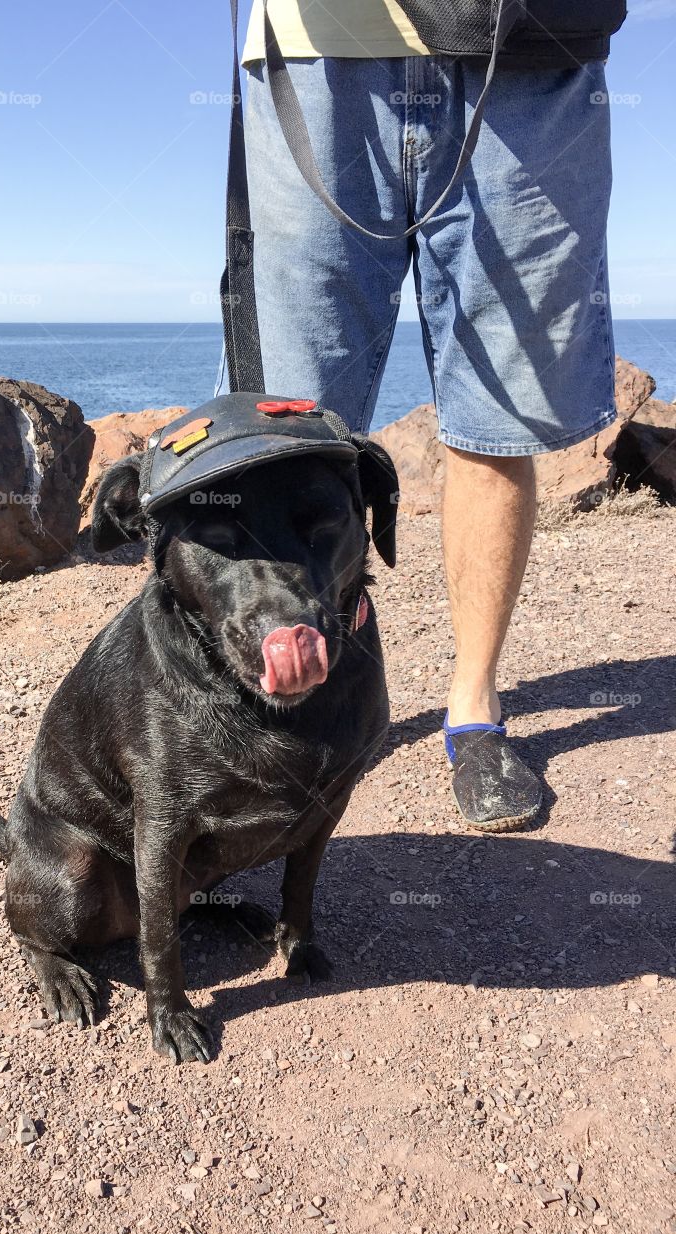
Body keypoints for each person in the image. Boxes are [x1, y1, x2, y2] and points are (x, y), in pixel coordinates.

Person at [238, 0, 620, 831]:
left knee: (498, 419)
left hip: (529, 53)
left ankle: (474, 709)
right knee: (295, 433)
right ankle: (304, 695)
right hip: (321, 55)